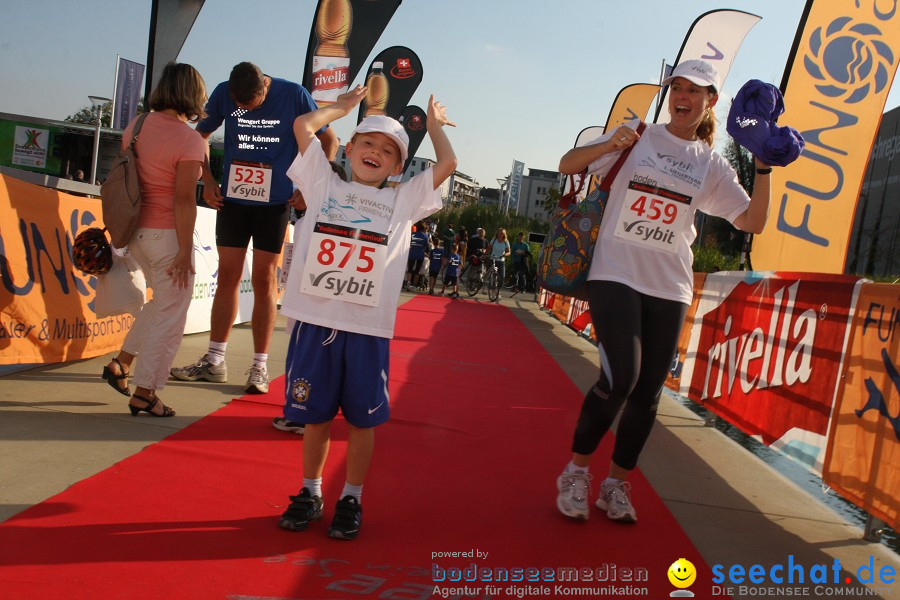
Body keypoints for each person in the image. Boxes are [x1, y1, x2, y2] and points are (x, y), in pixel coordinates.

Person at [554, 59, 772, 523]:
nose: (684, 96)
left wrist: (764, 167)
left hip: (670, 285)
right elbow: (566, 165)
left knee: (649, 391)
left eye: (696, 91)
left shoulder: (710, 164)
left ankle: (615, 485)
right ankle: (575, 472)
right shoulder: (638, 135)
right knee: (619, 379)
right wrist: (611, 143)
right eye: (678, 86)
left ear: (711, 101)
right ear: (669, 91)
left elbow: (752, 221)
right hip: (614, 272)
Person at [277, 86, 457, 539]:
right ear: (351, 148)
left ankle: (352, 496)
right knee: (314, 418)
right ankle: (310, 491)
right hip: (315, 323)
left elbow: (448, 165)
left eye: (388, 150)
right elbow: (303, 126)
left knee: (362, 420)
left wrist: (433, 126)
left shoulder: (403, 201)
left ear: (399, 166)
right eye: (368, 143)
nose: (375, 152)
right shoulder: (322, 183)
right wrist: (339, 109)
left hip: (366, 330)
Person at [170, 62, 338, 394]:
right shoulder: (222, 93)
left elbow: (330, 139)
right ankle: (214, 360)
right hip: (232, 200)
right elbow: (198, 134)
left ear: (264, 85)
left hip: (274, 205)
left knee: (264, 281)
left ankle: (259, 367)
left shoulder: (294, 95)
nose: (246, 111)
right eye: (241, 108)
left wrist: (312, 185)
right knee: (228, 276)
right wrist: (206, 178)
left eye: (254, 106)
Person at [99, 62, 209, 417]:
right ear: (193, 95)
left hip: (134, 233)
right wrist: (185, 252)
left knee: (160, 304)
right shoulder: (189, 139)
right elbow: (183, 200)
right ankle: (145, 392)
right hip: (166, 236)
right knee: (170, 316)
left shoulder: (138, 124)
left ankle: (122, 363)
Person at [404, 222, 429, 291]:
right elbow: (426, 247)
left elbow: (408, 243)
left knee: (410, 269)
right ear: (423, 228)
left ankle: (408, 284)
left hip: (411, 253)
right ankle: (414, 285)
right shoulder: (425, 236)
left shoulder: (412, 234)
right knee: (417, 270)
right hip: (420, 254)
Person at [487, 227, 511, 299]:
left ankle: (498, 291)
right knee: (493, 277)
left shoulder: (506, 242)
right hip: (493, 260)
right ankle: (493, 292)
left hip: (501, 261)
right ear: (497, 233)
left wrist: (505, 254)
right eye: (499, 233)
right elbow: (489, 248)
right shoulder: (494, 240)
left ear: (504, 234)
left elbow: (509, 252)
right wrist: (484, 254)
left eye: (502, 233)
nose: (500, 234)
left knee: (502, 277)